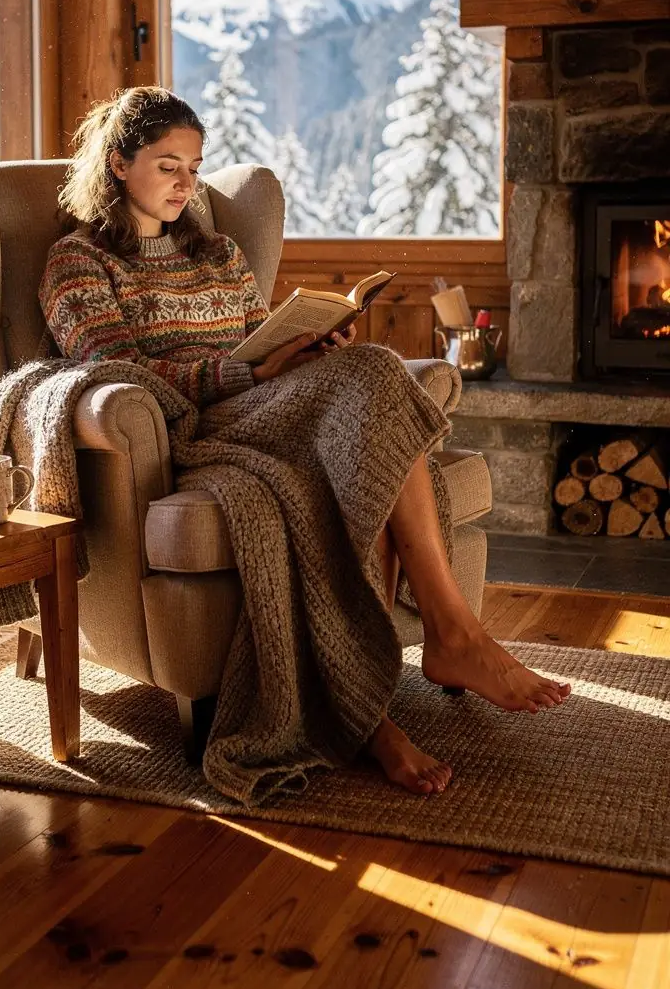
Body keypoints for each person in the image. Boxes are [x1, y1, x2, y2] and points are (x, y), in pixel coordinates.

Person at [39, 86, 570, 798]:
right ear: (117, 163)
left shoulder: (220, 251)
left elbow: (261, 333)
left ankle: (414, 669)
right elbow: (114, 368)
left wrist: (310, 345)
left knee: (369, 395)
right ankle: (442, 648)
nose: (185, 184)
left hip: (264, 401)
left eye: (194, 167)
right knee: (378, 382)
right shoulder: (77, 262)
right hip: (193, 426)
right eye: (168, 165)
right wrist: (246, 370)